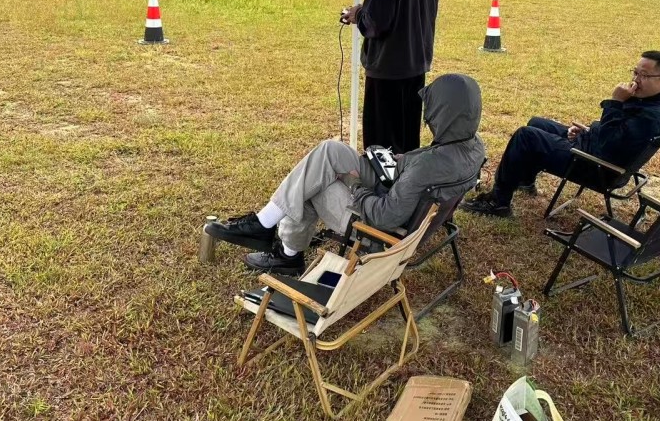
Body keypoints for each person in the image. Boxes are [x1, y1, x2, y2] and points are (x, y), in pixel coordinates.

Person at [204, 74, 485, 275]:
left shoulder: (427, 168)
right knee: (330, 151)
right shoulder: (472, 147)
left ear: (444, 113)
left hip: (380, 232)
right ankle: (266, 223)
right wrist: (400, 161)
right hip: (399, 193)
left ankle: (285, 253)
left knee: (313, 185)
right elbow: (422, 173)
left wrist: (355, 184)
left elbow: (384, 217)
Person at [462, 51, 660, 218]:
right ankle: (525, 181)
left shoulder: (652, 117)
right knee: (537, 123)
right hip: (599, 151)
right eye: (635, 72)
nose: (636, 79)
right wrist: (589, 130)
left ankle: (498, 202)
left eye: (644, 75)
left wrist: (615, 103)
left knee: (526, 136)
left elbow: (610, 144)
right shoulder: (653, 103)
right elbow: (619, 136)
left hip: (597, 167)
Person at [341, 0, 439, 153]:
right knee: (407, 142)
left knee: (381, 147)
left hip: (388, 72)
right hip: (416, 70)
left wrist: (357, 13)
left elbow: (375, 24)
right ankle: (405, 179)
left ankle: (383, 182)